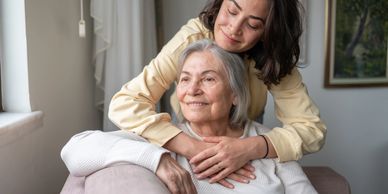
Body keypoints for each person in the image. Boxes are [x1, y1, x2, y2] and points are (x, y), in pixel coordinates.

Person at [108, 0, 326, 186]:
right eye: (231, 11)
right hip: (186, 135)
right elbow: (125, 103)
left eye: (252, 24)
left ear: (268, 31)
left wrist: (250, 147)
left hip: (249, 136)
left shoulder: (273, 58)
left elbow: (311, 130)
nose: (233, 28)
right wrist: (193, 148)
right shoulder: (191, 39)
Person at [61, 39, 317, 194]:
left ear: (235, 95)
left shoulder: (267, 142)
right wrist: (157, 159)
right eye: (185, 79)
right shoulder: (164, 138)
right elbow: (74, 149)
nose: (192, 90)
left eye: (208, 78)